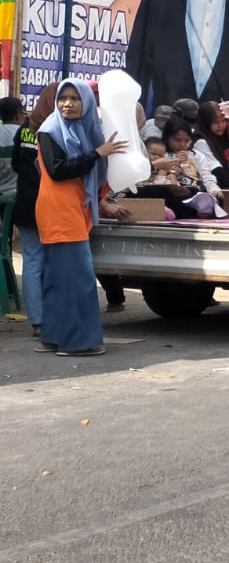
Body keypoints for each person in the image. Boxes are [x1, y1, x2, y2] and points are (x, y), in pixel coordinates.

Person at [35, 79, 124, 356]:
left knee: (59, 278)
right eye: (63, 98)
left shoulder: (79, 130)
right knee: (77, 280)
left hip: (70, 210)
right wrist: (97, 153)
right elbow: (58, 170)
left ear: (87, 103)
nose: (68, 104)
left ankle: (54, 336)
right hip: (61, 213)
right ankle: (78, 342)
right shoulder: (51, 130)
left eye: (75, 99)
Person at [9, 94, 44, 335]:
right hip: (49, 205)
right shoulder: (54, 131)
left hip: (24, 203)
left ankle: (37, 321)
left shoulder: (23, 131)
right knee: (52, 262)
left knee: (31, 261)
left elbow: (15, 165)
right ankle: (53, 316)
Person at [192, 100, 229, 190]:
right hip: (217, 186)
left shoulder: (225, 137)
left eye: (223, 121)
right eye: (216, 122)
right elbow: (216, 170)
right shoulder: (201, 142)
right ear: (206, 122)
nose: (220, 126)